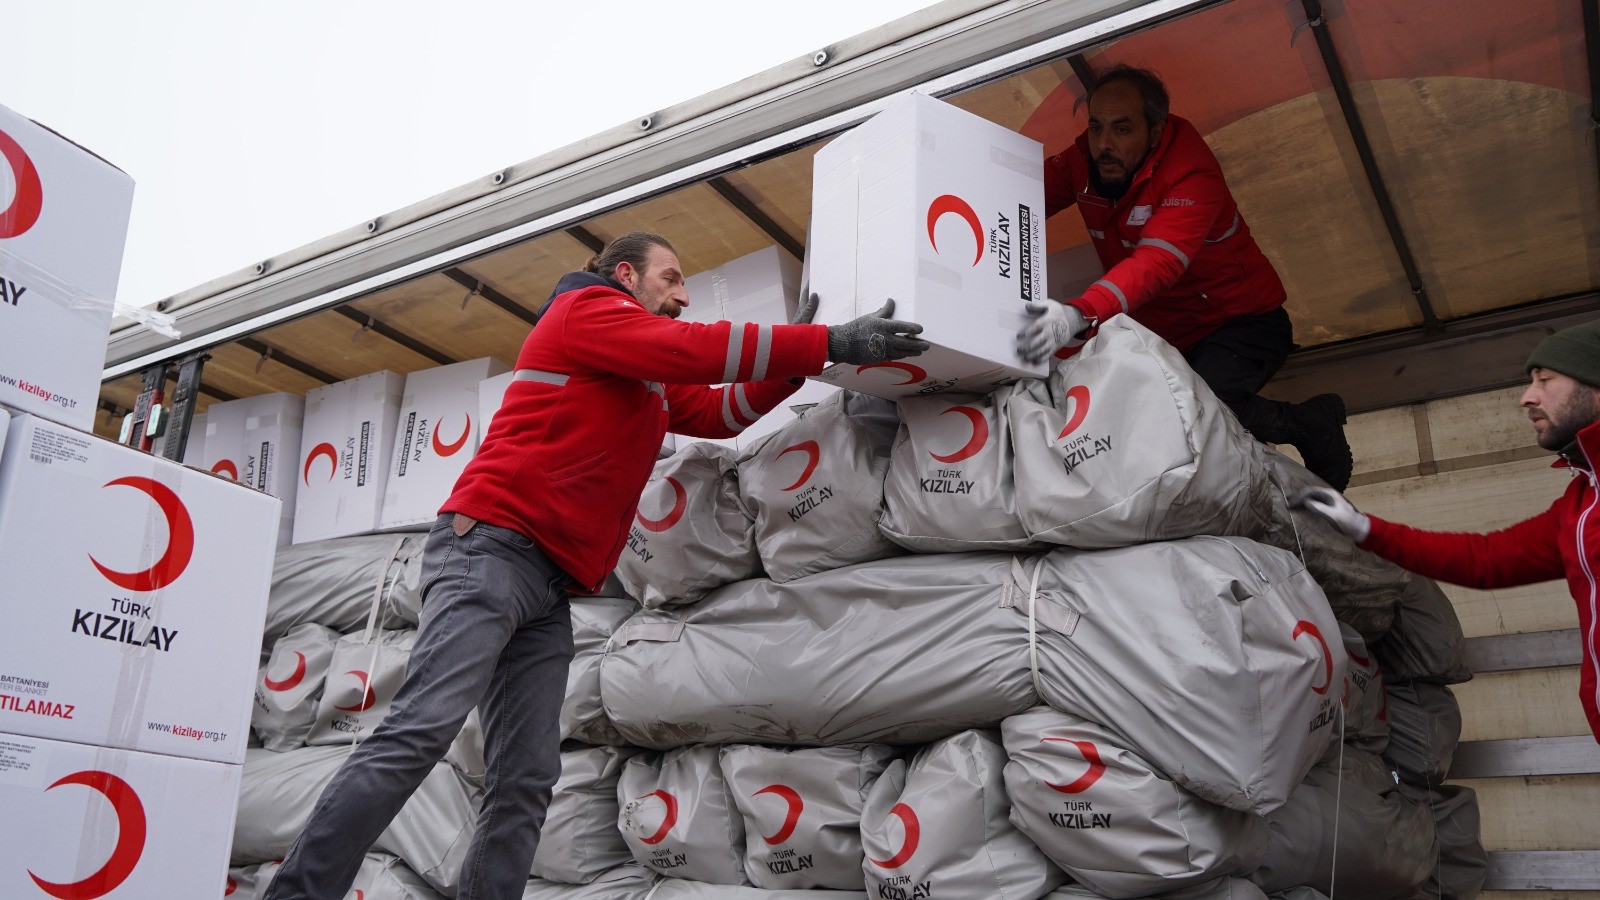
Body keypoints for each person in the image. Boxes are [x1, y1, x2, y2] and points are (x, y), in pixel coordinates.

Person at [265, 231, 929, 900]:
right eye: (669, 278)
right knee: (419, 732)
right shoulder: (585, 313)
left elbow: (715, 411)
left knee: (525, 777)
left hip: (546, 586)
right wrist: (826, 343)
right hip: (488, 552)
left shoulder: (640, 374)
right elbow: (687, 351)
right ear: (625, 276)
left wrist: (794, 366)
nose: (682, 294)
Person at [1015, 64, 1353, 490]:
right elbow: (1018, 193)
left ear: (1155, 131)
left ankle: (1309, 424)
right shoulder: (1087, 159)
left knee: (1206, 410)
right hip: (1160, 334)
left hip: (1239, 322)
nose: (1103, 143)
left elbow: (1158, 262)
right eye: (1096, 126)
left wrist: (1079, 313)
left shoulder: (1192, 175)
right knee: (1140, 426)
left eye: (1122, 129)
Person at [1295, 318, 1600, 744]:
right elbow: (1485, 560)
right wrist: (1363, 528)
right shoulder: (1580, 504)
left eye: (1546, 380)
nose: (1527, 397)